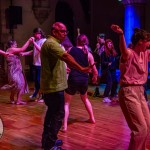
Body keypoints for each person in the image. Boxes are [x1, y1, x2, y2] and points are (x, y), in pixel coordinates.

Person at [40, 22, 95, 150]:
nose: (65, 33)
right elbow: (66, 56)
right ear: (54, 32)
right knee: (58, 116)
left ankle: (47, 141)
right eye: (62, 31)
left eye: (66, 31)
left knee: (51, 115)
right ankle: (50, 144)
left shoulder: (52, 43)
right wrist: (82, 68)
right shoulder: (51, 44)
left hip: (53, 86)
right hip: (54, 87)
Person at [111, 24, 150, 150]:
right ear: (140, 42)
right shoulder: (129, 53)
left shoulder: (144, 54)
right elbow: (123, 49)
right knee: (140, 129)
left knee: (147, 126)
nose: (149, 44)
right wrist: (121, 35)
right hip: (129, 92)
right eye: (147, 42)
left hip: (140, 92)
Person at [62, 34, 97, 132]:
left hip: (73, 78)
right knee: (85, 99)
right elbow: (95, 70)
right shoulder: (89, 54)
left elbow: (62, 58)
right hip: (84, 80)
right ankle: (92, 118)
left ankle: (64, 126)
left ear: (77, 41)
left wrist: (66, 67)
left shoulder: (70, 50)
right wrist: (94, 77)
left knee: (66, 103)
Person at [0, 39, 32, 105]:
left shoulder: (13, 51)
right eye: (15, 44)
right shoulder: (11, 50)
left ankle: (18, 100)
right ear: (12, 45)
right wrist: (29, 41)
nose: (16, 45)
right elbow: (22, 49)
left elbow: (24, 53)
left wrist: (33, 50)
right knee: (16, 84)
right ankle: (12, 96)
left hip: (18, 71)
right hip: (14, 71)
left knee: (21, 84)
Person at [20, 28, 46, 102]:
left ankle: (43, 97)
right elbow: (33, 50)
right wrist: (24, 53)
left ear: (39, 33)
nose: (34, 35)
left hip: (41, 64)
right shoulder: (37, 41)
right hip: (35, 64)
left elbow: (41, 50)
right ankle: (36, 94)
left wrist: (33, 42)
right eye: (34, 34)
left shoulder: (44, 41)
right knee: (36, 81)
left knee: (39, 80)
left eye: (35, 34)